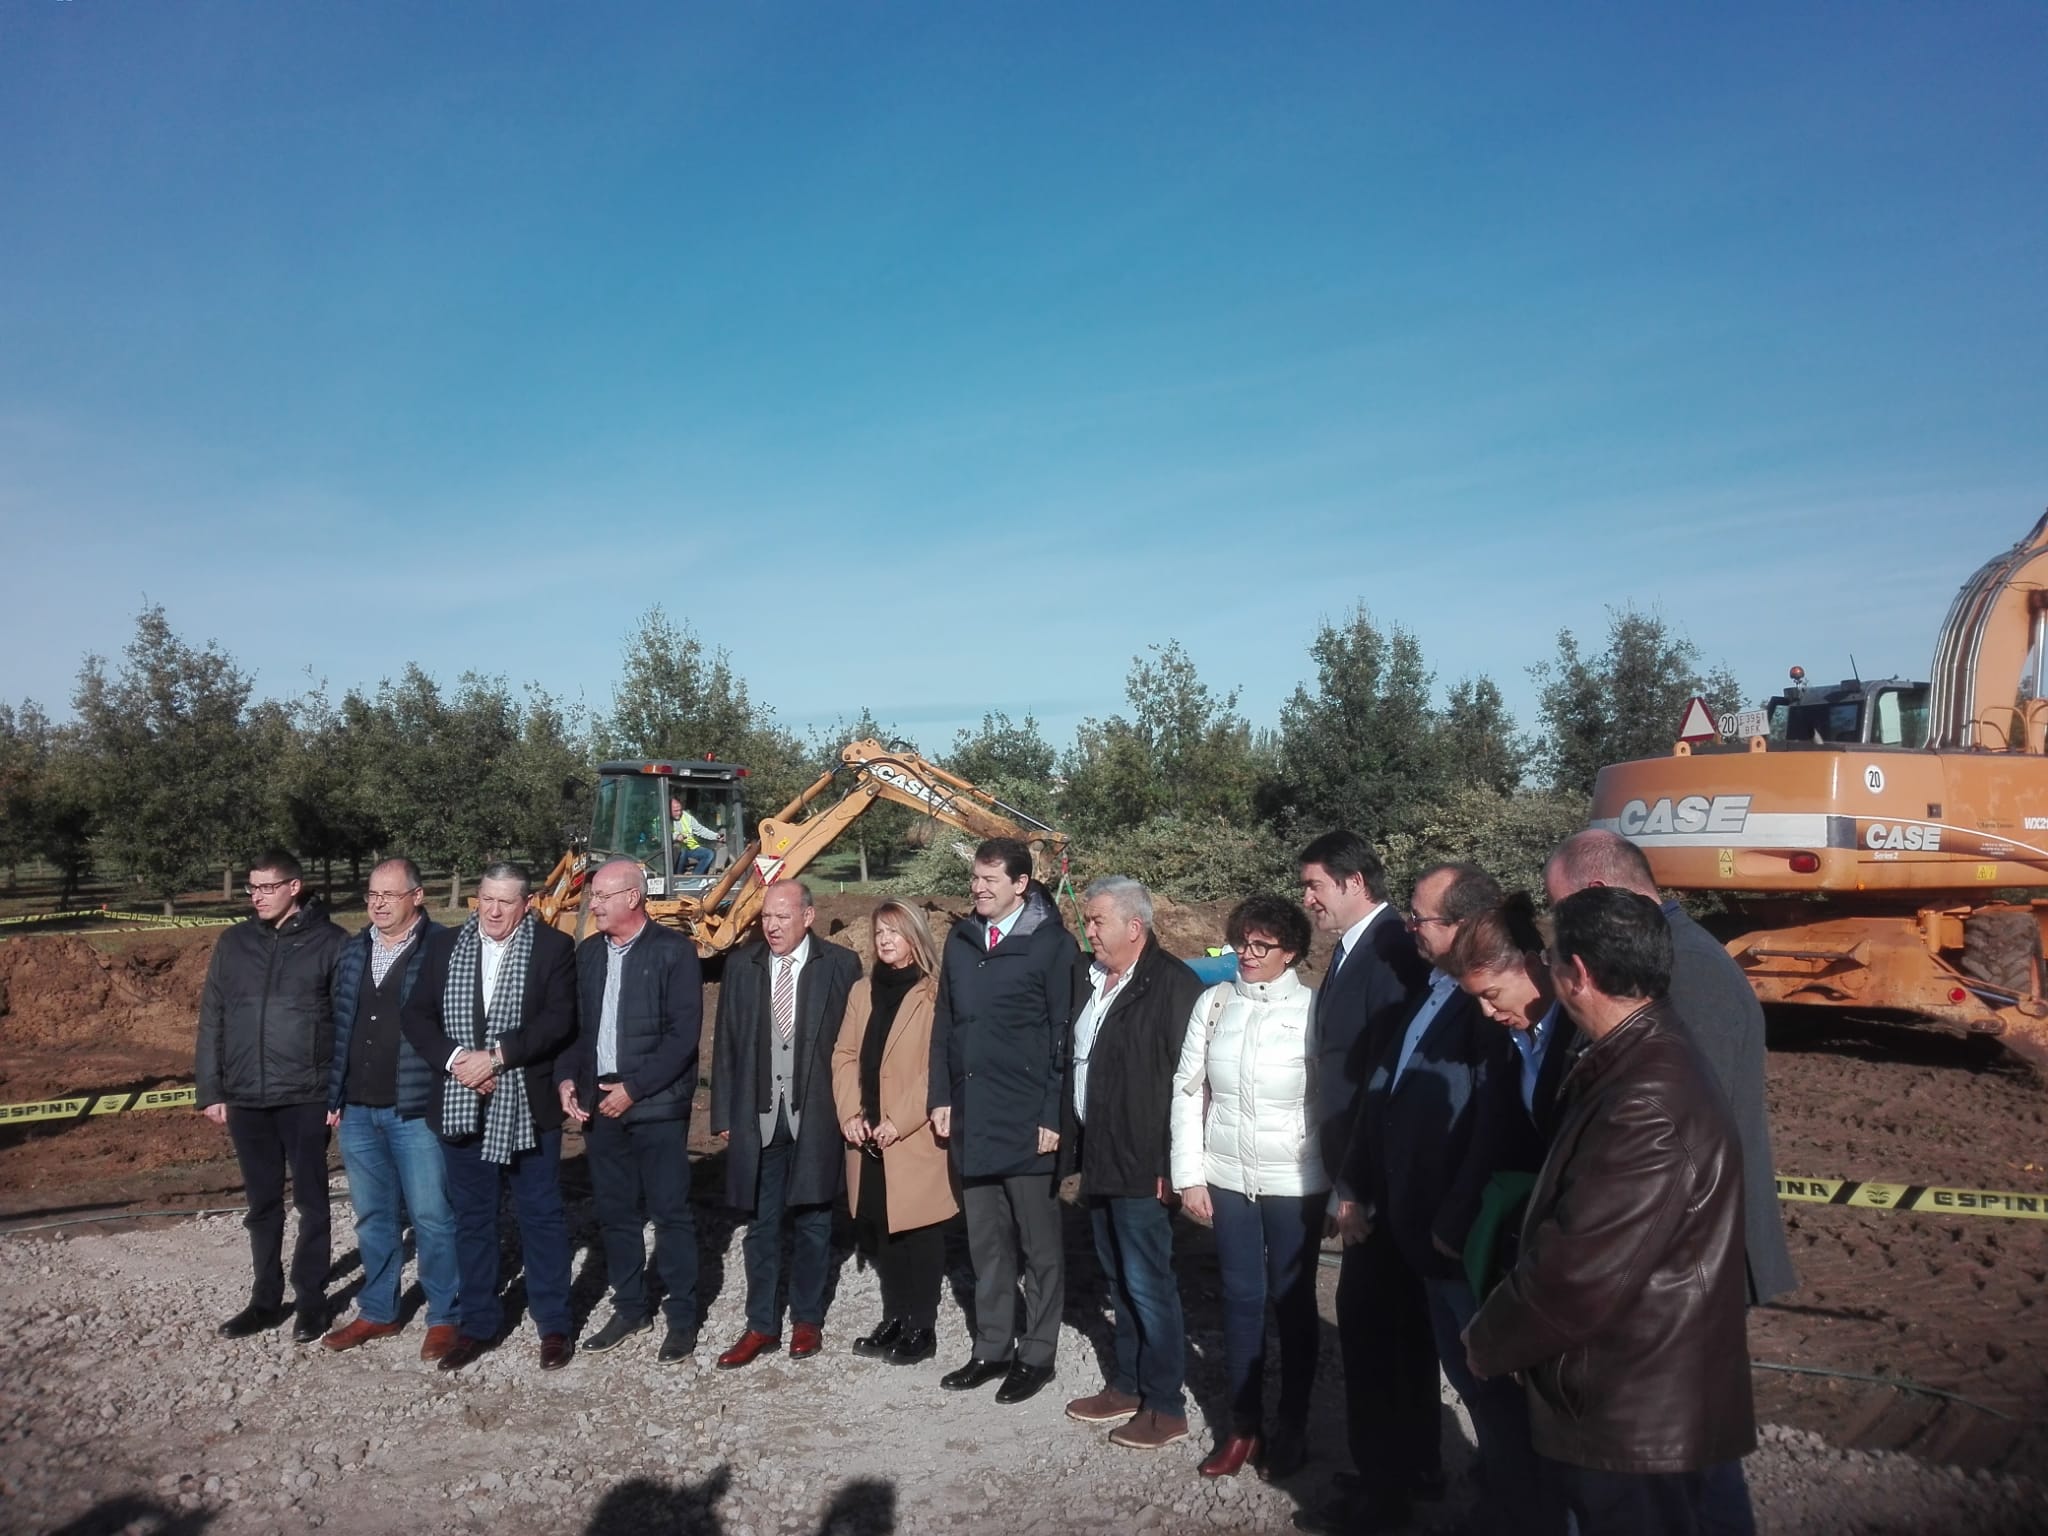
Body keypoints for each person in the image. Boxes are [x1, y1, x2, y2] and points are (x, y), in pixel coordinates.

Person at [1465, 886, 1757, 1536]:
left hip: (1634, 1405)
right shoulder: (1638, 1062)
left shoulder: (1645, 1096)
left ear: (1579, 974)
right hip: (1633, 1390)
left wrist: (1486, 1341)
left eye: (1554, 960)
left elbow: (1579, 1269)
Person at [1349, 865, 1554, 1536]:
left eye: (1420, 918)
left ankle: (1518, 1512)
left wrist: (1454, 1225)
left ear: (1465, 926)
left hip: (1455, 1240)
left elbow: (1490, 1132)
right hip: (1410, 1223)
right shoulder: (1432, 986)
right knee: (1461, 1382)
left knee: (1492, 1394)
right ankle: (1486, 1492)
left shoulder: (1490, 1006)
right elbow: (1394, 1092)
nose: (1409, 929)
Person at [1544, 828, 1797, 1306]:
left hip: (1688, 1262)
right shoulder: (1653, 960)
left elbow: (1682, 1134)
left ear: (1598, 894)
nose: (1558, 921)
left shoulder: (1691, 971)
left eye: (1560, 904)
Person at [1294, 831, 1432, 1536]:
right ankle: (1412, 1466)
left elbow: (1386, 1083)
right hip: (1358, 1170)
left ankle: (1385, 1493)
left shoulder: (1390, 954)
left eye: (1315, 884)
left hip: (1372, 1184)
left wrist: (1357, 1190)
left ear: (1354, 881)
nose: (1307, 899)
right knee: (1396, 1333)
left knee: (1376, 1336)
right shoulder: (1354, 952)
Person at [1169, 893, 1325, 1480]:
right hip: (1228, 1177)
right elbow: (1187, 1092)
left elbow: (1330, 1104)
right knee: (1238, 1303)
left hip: (1296, 1180)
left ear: (1291, 953)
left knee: (1293, 1302)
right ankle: (1242, 1428)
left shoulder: (1313, 1010)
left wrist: (1335, 1190)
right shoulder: (1214, 1004)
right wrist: (1189, 1174)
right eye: (1242, 941)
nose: (1247, 954)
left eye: (1262, 945)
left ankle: (1294, 1425)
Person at [401, 861, 579, 1372]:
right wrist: (460, 1062)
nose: (493, 911)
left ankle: (553, 1325)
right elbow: (417, 1015)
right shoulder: (444, 946)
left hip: (528, 1105)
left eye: (505, 901)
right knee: (473, 1220)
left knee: (540, 1217)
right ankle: (478, 1323)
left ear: (526, 905)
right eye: (486, 899)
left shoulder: (551, 948)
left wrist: (497, 1057)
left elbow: (558, 1020)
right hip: (460, 1101)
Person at [927, 837, 1079, 1406]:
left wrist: (1051, 1115)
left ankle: (1036, 1354)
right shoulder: (962, 942)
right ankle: (991, 1348)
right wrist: (940, 1096)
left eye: (990, 880)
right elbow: (946, 1024)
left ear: (1021, 884)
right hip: (972, 1116)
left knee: (1040, 1249)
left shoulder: (1051, 946)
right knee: (986, 1245)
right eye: (975, 878)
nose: (978, 888)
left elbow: (1062, 1037)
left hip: (1027, 1120)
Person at [1058, 876, 1204, 1451]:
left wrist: (1176, 1163)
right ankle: (1127, 1383)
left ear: (1134, 927)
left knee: (1149, 1283)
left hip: (1146, 1162)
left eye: (1096, 921)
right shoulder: (1095, 980)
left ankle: (1166, 1406)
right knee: (1117, 1277)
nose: (1086, 930)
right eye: (1088, 920)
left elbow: (1191, 1086)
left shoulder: (1173, 987)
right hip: (1103, 1155)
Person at [196, 849, 348, 1343]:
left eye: (266, 887)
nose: (256, 896)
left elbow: (346, 1024)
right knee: (262, 1205)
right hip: (245, 1097)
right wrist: (211, 1089)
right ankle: (264, 1300)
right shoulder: (234, 943)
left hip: (306, 1095)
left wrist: (338, 1091)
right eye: (252, 888)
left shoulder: (332, 944)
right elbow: (213, 1018)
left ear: (294, 887)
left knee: (312, 1202)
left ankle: (310, 1302)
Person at [709, 878, 862, 1367]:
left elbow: (851, 1047)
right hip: (759, 1116)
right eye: (766, 917)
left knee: (815, 1222)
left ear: (808, 917)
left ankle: (807, 1319)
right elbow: (727, 1042)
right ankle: (760, 1325)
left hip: (816, 1115)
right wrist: (725, 1113)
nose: (771, 926)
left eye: (781, 917)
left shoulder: (839, 965)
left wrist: (850, 1109)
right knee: (761, 1224)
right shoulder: (742, 965)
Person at [559, 858, 705, 1364]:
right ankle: (630, 1306)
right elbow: (576, 1029)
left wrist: (635, 1089)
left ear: (632, 898)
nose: (592, 904)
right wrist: (568, 1081)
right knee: (616, 1214)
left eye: (601, 895)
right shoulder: (589, 955)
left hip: (656, 1107)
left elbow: (683, 1036)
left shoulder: (673, 952)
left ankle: (683, 1316)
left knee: (670, 1214)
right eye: (592, 896)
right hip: (601, 1108)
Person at [320, 857, 461, 1362]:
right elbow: (341, 1027)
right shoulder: (354, 951)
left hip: (415, 1107)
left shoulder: (443, 947)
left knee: (432, 1216)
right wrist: (335, 1095)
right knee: (374, 1217)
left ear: (417, 897)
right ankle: (379, 1311)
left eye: (389, 894)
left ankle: (446, 1316)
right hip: (359, 1109)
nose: (377, 903)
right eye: (372, 895)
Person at [830, 899, 957, 1367]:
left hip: (913, 1134)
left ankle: (921, 1326)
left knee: (918, 1233)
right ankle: (896, 1317)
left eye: (895, 932)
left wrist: (898, 1122)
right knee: (883, 1228)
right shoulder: (861, 991)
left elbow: (936, 1068)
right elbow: (843, 1054)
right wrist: (849, 1112)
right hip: (866, 1134)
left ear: (915, 937)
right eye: (880, 931)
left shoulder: (933, 994)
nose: (885, 939)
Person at [671, 794, 724, 876]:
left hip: (690, 848)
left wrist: (715, 836)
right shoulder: (663, 818)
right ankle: (678, 877)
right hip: (672, 851)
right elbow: (659, 835)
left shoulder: (687, 817)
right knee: (681, 851)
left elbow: (700, 830)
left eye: (680, 810)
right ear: (668, 810)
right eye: (676, 811)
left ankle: (695, 878)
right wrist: (676, 837)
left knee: (709, 854)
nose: (679, 813)